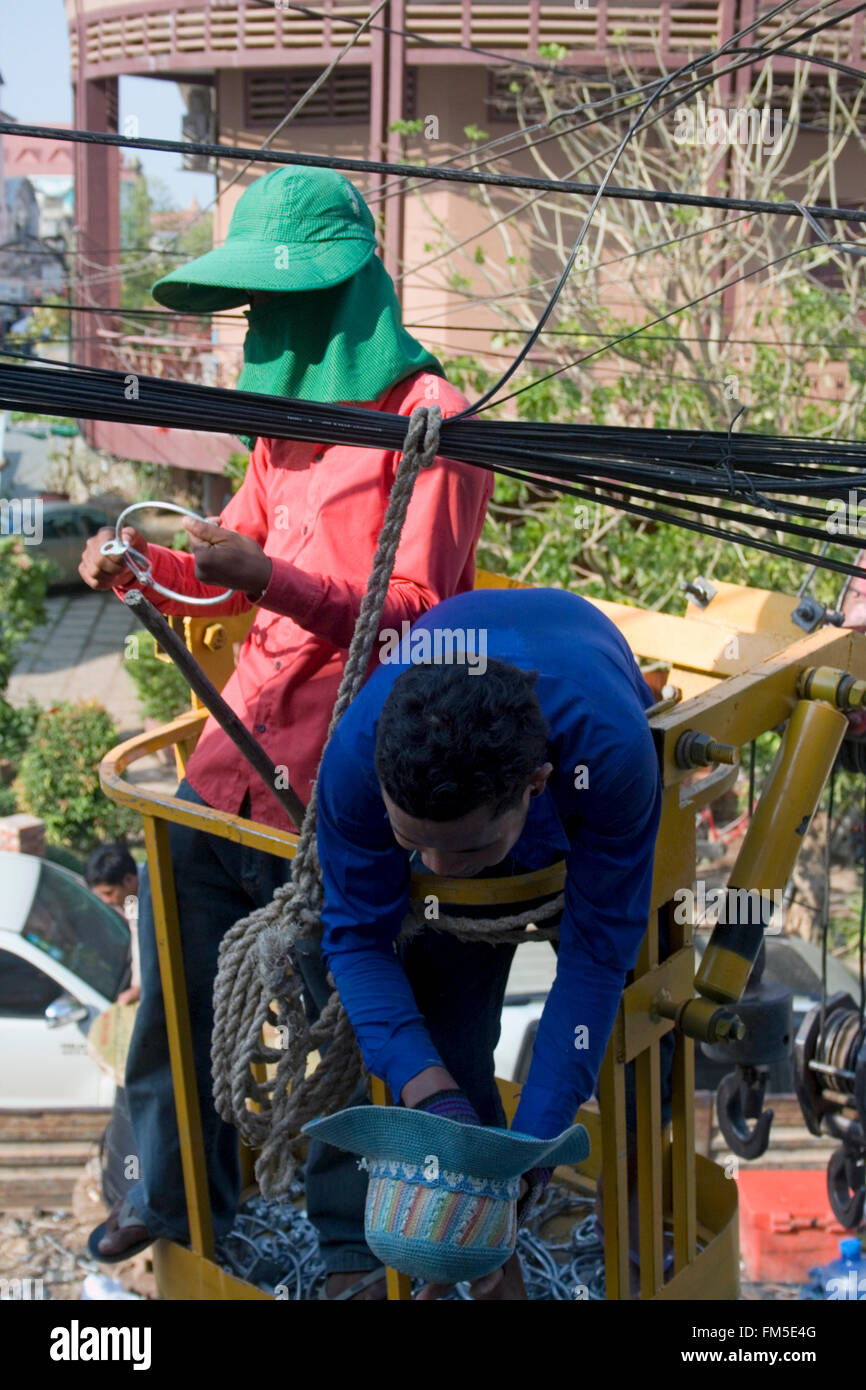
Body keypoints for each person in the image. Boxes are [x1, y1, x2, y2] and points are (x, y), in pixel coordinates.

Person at [77, 165, 494, 1290]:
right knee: (177, 974)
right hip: (235, 761)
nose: (260, 328)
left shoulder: (432, 422)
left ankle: (346, 1253)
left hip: (346, 776)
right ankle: (166, 1192)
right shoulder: (279, 424)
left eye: (275, 306)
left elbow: (417, 612)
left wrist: (272, 575)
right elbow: (227, 568)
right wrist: (148, 566)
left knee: (339, 1011)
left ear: (341, 296)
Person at [312, 586, 663, 1299]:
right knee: (439, 1005)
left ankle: (631, 1224)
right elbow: (356, 941)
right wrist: (433, 1101)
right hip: (475, 679)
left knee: (639, 1019)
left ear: (538, 784)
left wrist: (531, 1156)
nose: (439, 872)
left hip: (587, 666)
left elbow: (597, 957)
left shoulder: (615, 757)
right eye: (416, 845)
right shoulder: (353, 761)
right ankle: (478, 1253)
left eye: (468, 850)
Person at [84, 843, 144, 1006]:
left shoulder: (152, 897)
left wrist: (138, 987)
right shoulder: (132, 898)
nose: (106, 901)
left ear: (129, 880)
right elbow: (137, 937)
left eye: (109, 893)